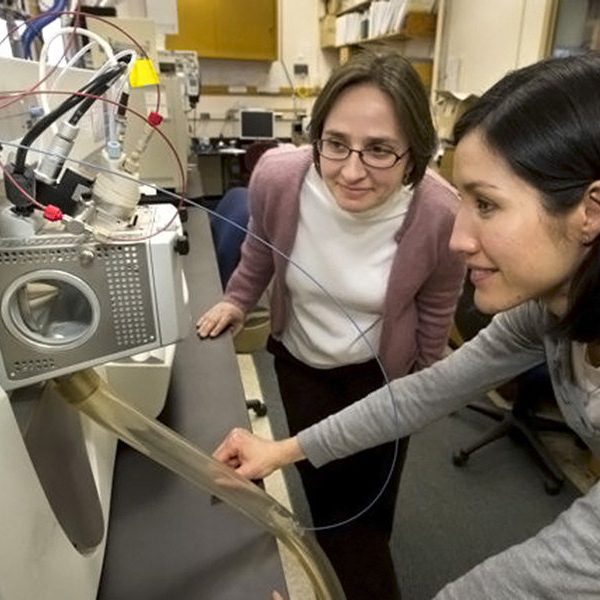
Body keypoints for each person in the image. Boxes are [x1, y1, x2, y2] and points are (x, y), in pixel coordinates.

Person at [213, 51, 600, 599]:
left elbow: (557, 570)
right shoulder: (546, 312)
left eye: (486, 205)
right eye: (464, 199)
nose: (460, 238)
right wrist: (284, 450)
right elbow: (426, 391)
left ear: (591, 210)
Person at [197, 48, 466, 600]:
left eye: (379, 150)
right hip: (301, 366)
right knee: (327, 501)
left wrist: (423, 387)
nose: (350, 170)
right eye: (336, 143)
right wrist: (238, 300)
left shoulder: (440, 213)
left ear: (415, 148)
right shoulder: (279, 177)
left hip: (382, 378)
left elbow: (438, 309)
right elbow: (260, 253)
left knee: (368, 512)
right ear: (316, 135)